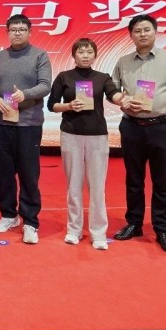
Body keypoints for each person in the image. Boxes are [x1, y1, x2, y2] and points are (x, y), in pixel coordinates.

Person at [111, 14, 166, 254]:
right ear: (131, 35)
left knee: (162, 180)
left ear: (155, 32)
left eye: (147, 29)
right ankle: (134, 223)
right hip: (132, 127)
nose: (142, 34)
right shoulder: (123, 61)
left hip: (162, 126)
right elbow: (113, 88)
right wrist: (123, 100)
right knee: (133, 179)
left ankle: (163, 229)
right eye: (137, 31)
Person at [47, 38, 123, 250]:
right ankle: (74, 229)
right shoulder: (64, 77)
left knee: (97, 187)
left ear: (95, 55)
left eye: (89, 52)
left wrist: (122, 99)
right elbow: (52, 105)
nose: (85, 55)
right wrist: (69, 106)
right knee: (74, 185)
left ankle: (98, 233)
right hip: (71, 134)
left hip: (97, 136)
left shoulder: (103, 77)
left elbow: (113, 94)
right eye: (81, 52)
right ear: (74, 55)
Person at [0, 14, 52, 245]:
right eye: (13, 29)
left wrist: (24, 94)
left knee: (28, 174)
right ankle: (9, 215)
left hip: (29, 124)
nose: (17, 33)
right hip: (2, 124)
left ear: (29, 32)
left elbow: (45, 86)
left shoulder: (39, 55)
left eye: (22, 29)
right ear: (7, 32)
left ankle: (30, 222)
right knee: (3, 174)